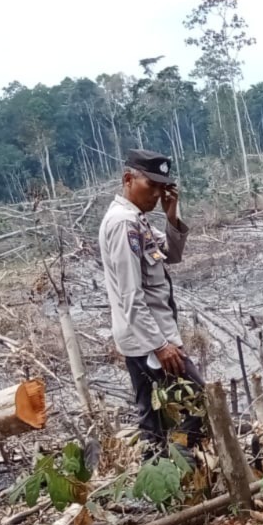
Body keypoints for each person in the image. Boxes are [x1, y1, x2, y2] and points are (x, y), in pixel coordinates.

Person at [99, 149, 207, 460]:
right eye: (152, 185)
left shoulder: (138, 220)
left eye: (163, 187)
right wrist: (160, 345)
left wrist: (171, 215)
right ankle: (181, 467)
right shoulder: (123, 224)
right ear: (128, 179)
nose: (158, 193)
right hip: (151, 342)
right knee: (200, 401)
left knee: (153, 419)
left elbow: (171, 255)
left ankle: (160, 479)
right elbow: (130, 294)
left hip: (146, 339)